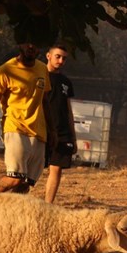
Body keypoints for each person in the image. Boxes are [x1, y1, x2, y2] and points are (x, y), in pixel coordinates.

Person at [0, 43, 52, 194]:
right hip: (15, 127)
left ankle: (9, 215)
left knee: (25, 184)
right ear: (20, 44)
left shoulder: (42, 68)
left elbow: (45, 101)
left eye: (35, 42)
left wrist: (52, 131)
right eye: (27, 42)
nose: (31, 46)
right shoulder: (5, 70)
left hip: (38, 131)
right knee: (14, 178)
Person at [43, 42, 77, 203]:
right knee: (30, 171)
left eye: (64, 58)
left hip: (62, 132)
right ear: (48, 56)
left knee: (56, 169)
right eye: (57, 56)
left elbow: (68, 110)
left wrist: (73, 137)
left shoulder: (66, 82)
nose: (60, 61)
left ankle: (48, 205)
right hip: (41, 130)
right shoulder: (38, 75)